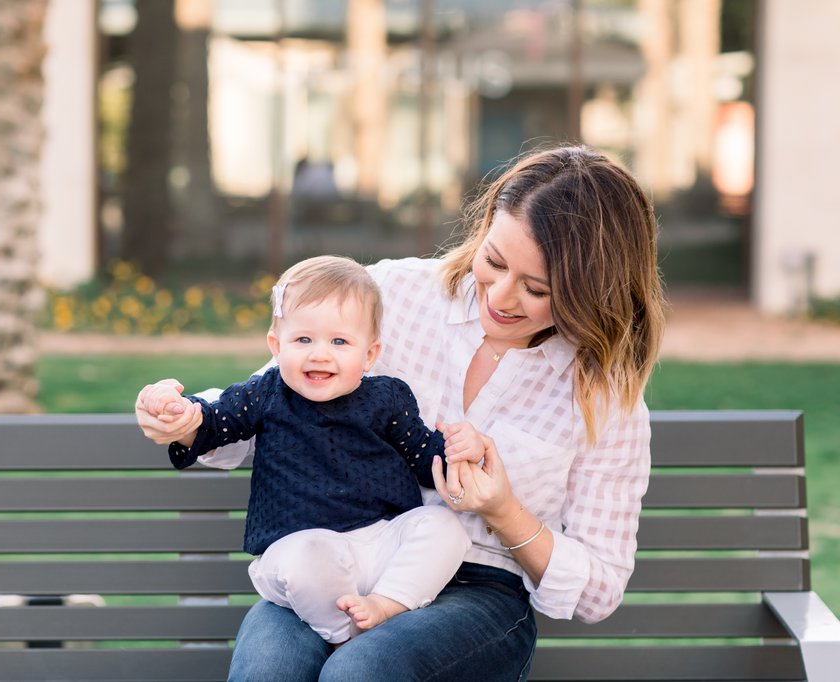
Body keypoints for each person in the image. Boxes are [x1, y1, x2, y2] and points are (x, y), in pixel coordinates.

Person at [136, 144, 667, 681]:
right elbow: (267, 399)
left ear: (590, 292)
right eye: (494, 261)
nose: (502, 297)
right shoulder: (393, 293)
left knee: (361, 669)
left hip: (481, 593)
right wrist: (188, 418)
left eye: (536, 289)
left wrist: (504, 511)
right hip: (339, 556)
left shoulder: (604, 397)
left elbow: (599, 589)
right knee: (269, 668)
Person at [137, 255, 477, 645]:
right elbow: (217, 421)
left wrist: (457, 450)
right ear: (276, 345)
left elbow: (424, 457)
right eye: (303, 340)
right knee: (309, 557)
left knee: (443, 527)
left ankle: (387, 603)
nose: (319, 354)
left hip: (379, 544)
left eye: (339, 341)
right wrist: (182, 413)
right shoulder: (267, 394)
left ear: (369, 354)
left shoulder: (387, 398)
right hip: (300, 547)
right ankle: (344, 637)